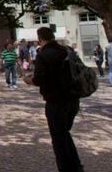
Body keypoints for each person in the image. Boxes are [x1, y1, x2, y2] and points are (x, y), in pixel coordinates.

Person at [24, 27, 84, 172]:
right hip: (73, 99)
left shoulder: (44, 55)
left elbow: (38, 79)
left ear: (40, 38)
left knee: (59, 139)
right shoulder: (67, 50)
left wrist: (28, 80)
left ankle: (67, 168)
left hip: (56, 101)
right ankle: (76, 166)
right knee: (65, 134)